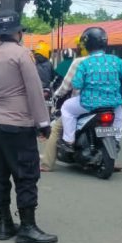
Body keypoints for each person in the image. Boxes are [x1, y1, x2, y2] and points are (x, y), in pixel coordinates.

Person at [0, 11, 56, 243]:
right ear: (18, 32)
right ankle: (28, 228)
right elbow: (34, 90)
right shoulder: (22, 55)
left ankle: (4, 225)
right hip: (18, 124)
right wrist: (43, 122)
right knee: (26, 175)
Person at [61, 27, 122, 148]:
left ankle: (69, 140)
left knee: (66, 109)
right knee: (118, 115)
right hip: (112, 103)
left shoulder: (84, 63)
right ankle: (116, 140)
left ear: (87, 44)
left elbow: (76, 84)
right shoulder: (115, 60)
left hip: (89, 103)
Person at [41, 37, 87, 172]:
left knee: (56, 128)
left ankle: (47, 163)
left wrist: (56, 95)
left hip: (80, 102)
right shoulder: (110, 60)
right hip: (108, 103)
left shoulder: (78, 62)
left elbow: (65, 85)